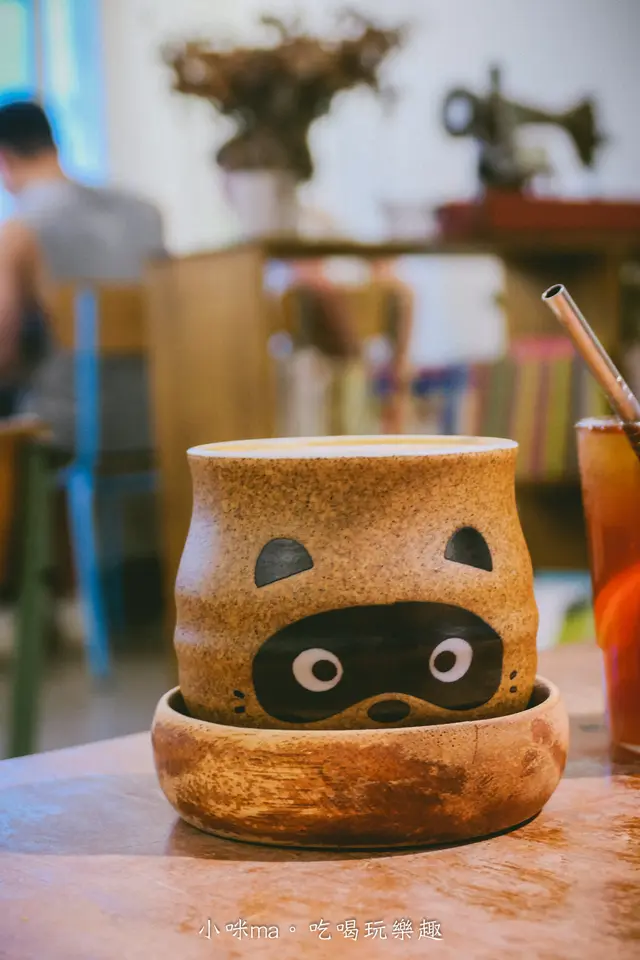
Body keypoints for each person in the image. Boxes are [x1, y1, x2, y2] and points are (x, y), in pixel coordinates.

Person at [0, 99, 165, 451]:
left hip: (68, 428)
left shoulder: (20, 229)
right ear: (52, 144)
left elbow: (3, 346)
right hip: (155, 418)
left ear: (5, 159)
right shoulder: (145, 212)